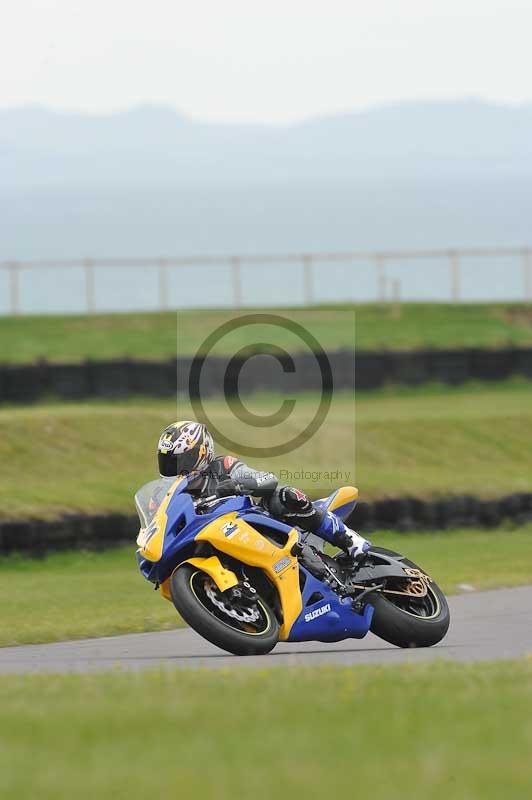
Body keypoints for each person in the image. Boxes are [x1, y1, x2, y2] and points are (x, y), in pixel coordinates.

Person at [155, 420, 365, 559]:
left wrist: (236, 485)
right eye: (168, 462)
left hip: (255, 526)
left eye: (182, 460)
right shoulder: (172, 495)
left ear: (203, 453)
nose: (175, 469)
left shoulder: (223, 466)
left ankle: (350, 540)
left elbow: (266, 480)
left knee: (285, 495)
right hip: (219, 543)